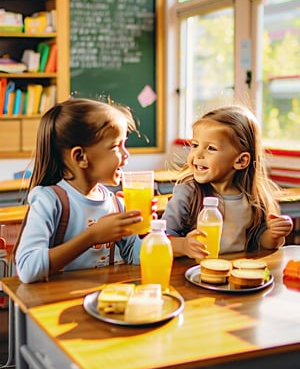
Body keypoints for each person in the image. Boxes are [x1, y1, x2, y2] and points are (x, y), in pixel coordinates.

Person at [16, 98, 144, 283]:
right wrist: (93, 236)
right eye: (116, 146)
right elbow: (27, 269)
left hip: (102, 302)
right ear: (80, 156)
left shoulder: (116, 203)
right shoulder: (50, 201)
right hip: (56, 307)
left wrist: (148, 230)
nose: (127, 154)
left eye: (125, 144)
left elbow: (135, 256)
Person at [162, 104, 293, 260]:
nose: (198, 154)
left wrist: (273, 234)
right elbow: (162, 238)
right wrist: (183, 245)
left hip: (237, 275)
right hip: (194, 275)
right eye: (195, 145)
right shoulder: (187, 192)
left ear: (241, 161)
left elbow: (260, 243)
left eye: (211, 148)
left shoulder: (253, 198)